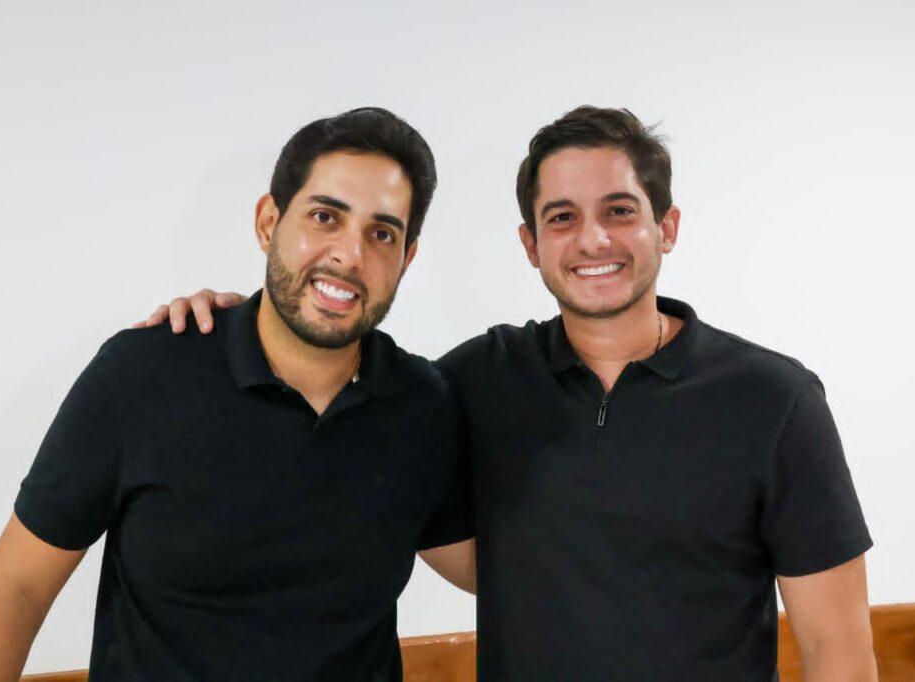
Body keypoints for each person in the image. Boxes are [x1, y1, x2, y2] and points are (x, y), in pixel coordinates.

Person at [151, 106, 878, 681]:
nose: (593, 240)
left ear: (667, 227)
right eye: (562, 218)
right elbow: (331, 378)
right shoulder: (473, 380)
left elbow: (838, 649)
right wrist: (234, 322)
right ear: (531, 245)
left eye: (619, 211)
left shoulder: (775, 400)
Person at [0, 107, 475, 681]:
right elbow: (16, 587)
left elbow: (490, 564)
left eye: (382, 233)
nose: (350, 255)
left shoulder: (422, 404)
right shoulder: (144, 373)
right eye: (325, 217)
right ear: (268, 223)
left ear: (406, 258)